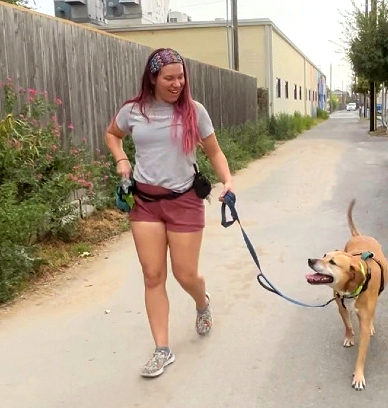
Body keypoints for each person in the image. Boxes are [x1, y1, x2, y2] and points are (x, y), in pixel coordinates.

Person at [105, 48, 233, 378]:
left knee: (185, 274)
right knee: (152, 275)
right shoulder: (133, 111)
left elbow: (215, 152)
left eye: (181, 77)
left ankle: (201, 302)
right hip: (145, 202)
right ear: (153, 78)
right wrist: (121, 158)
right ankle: (162, 349)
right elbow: (112, 134)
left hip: (184, 200)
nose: (177, 83)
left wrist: (228, 181)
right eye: (169, 78)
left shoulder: (194, 111)